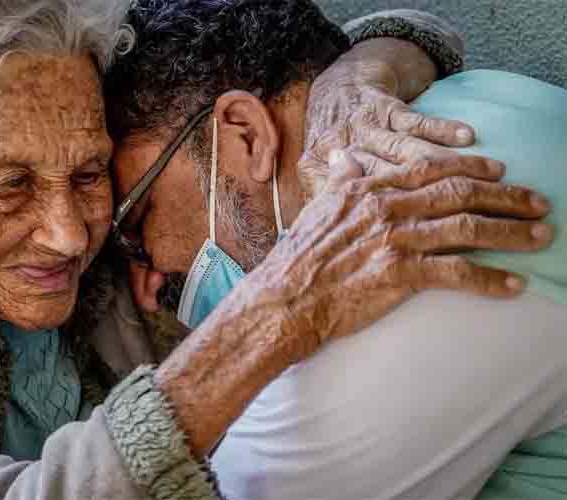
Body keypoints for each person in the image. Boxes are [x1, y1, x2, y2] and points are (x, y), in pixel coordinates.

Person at [0, 1, 552, 499]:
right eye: (9, 185)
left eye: (90, 176)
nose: (69, 234)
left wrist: (368, 60)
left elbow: (251, 69)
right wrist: (274, 315)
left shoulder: (94, 192)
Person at [100, 1, 567, 498]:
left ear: (247, 134)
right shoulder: (486, 97)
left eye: (138, 222)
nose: (147, 289)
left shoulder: (406, 257)